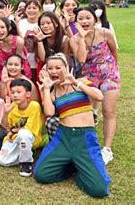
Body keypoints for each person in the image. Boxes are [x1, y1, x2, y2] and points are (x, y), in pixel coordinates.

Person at [34, 54, 110, 198]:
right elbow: (49, 112)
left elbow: (99, 96)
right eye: (50, 68)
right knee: (41, 174)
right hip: (63, 137)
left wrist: (75, 82)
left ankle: (81, 168)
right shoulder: (53, 92)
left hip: (85, 137)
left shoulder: (80, 82)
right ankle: (72, 166)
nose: (54, 71)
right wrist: (45, 89)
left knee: (99, 190)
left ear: (66, 67)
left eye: (58, 67)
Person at [70, 7, 120, 164]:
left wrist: (114, 70)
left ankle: (107, 149)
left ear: (95, 19)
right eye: (81, 18)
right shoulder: (74, 39)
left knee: (108, 111)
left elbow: (114, 52)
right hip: (89, 76)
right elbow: (81, 59)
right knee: (86, 112)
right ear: (76, 22)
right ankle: (89, 144)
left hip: (109, 74)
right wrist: (83, 38)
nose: (85, 21)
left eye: (88, 18)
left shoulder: (106, 33)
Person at [0, 79, 48, 177]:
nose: (15, 95)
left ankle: (26, 163)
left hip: (31, 137)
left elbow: (28, 129)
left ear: (28, 94)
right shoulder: (12, 106)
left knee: (23, 134)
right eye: (12, 92)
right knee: (3, 161)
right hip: (15, 138)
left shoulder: (34, 106)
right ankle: (26, 153)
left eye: (19, 92)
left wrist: (12, 131)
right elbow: (4, 125)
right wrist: (6, 113)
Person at [18, 0, 42, 82]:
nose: (31, 10)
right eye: (29, 8)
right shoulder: (20, 23)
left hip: (38, 64)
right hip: (23, 65)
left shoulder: (42, 23)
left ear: (40, 10)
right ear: (25, 10)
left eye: (34, 8)